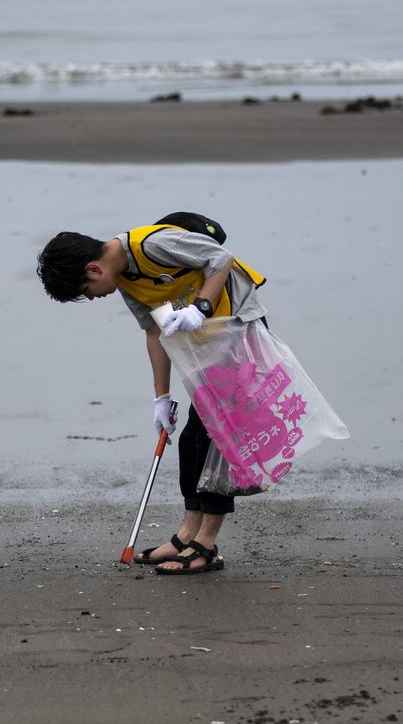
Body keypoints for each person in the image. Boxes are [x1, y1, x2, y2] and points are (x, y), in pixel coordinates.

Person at [36, 220, 267, 575]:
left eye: (89, 289)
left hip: (238, 328)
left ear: (93, 268)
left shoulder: (153, 245)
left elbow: (220, 258)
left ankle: (205, 545)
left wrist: (199, 307)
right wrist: (161, 397)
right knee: (191, 439)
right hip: (207, 342)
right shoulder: (126, 279)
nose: (94, 296)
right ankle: (188, 533)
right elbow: (154, 332)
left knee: (214, 439)